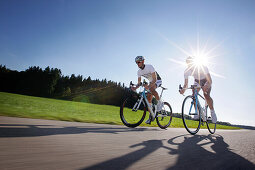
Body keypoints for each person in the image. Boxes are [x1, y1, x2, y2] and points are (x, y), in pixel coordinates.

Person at [179, 56, 217, 123]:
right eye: (188, 64)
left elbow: (210, 80)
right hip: (197, 81)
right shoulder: (186, 71)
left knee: (206, 95)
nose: (190, 65)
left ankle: (212, 112)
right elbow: (186, 84)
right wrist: (183, 90)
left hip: (206, 80)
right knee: (194, 95)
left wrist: (206, 86)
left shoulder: (203, 67)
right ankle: (198, 113)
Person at [131, 56, 163, 124]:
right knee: (148, 99)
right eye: (136, 63)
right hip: (151, 82)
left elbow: (155, 79)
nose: (137, 64)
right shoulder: (139, 72)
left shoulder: (149, 67)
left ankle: (160, 102)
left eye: (139, 62)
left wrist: (149, 86)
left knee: (151, 89)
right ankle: (151, 116)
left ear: (143, 61)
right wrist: (135, 88)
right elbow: (139, 83)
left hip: (157, 80)